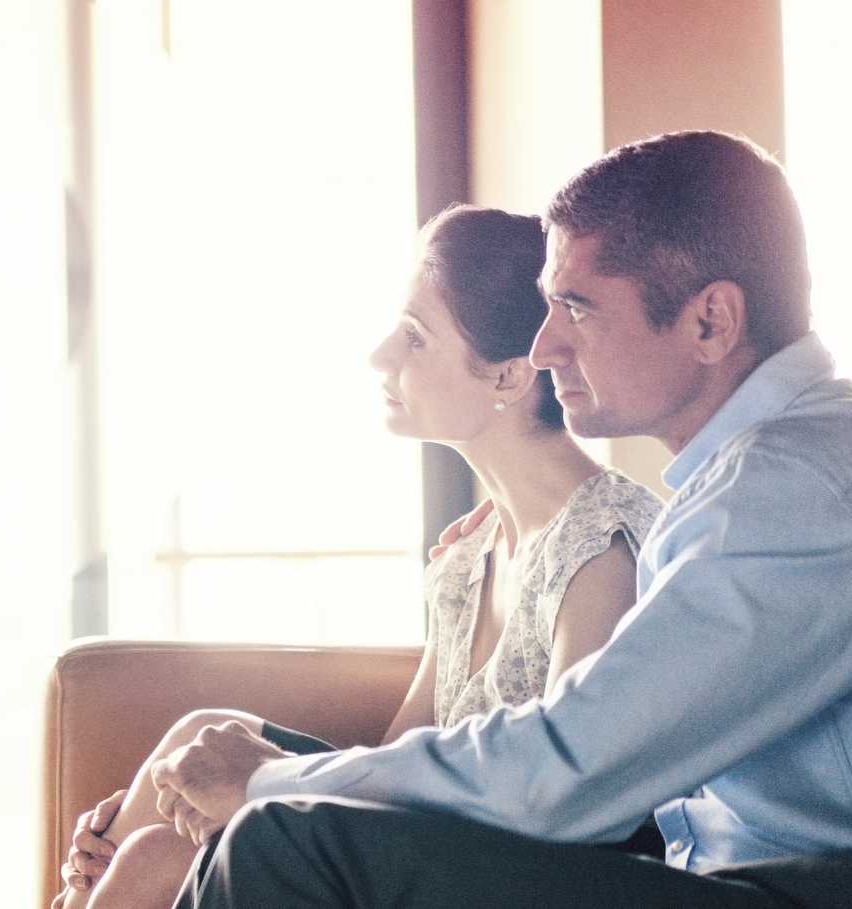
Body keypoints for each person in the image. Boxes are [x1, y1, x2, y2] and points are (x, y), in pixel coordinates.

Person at [153, 131, 852, 909]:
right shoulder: (798, 461)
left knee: (290, 840)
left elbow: (566, 772)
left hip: (846, 895)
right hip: (746, 871)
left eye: (578, 308)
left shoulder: (802, 491)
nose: (546, 345)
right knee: (281, 795)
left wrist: (270, 784)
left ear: (711, 320)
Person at [54, 205, 664, 909]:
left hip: (531, 871)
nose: (381, 356)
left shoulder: (602, 550)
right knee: (189, 747)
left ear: (507, 378)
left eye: (414, 337)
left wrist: (257, 794)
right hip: (431, 837)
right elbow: (392, 757)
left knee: (158, 862)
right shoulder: (471, 553)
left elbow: (576, 806)